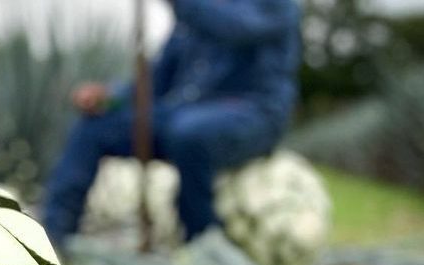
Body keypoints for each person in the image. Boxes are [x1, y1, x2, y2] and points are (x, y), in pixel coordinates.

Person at [42, 0, 301, 246]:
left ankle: (204, 245)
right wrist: (111, 98)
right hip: (183, 114)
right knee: (95, 127)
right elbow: (154, 83)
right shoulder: (192, 18)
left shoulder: (272, 4)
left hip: (254, 114)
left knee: (189, 132)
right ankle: (54, 238)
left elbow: (238, 28)